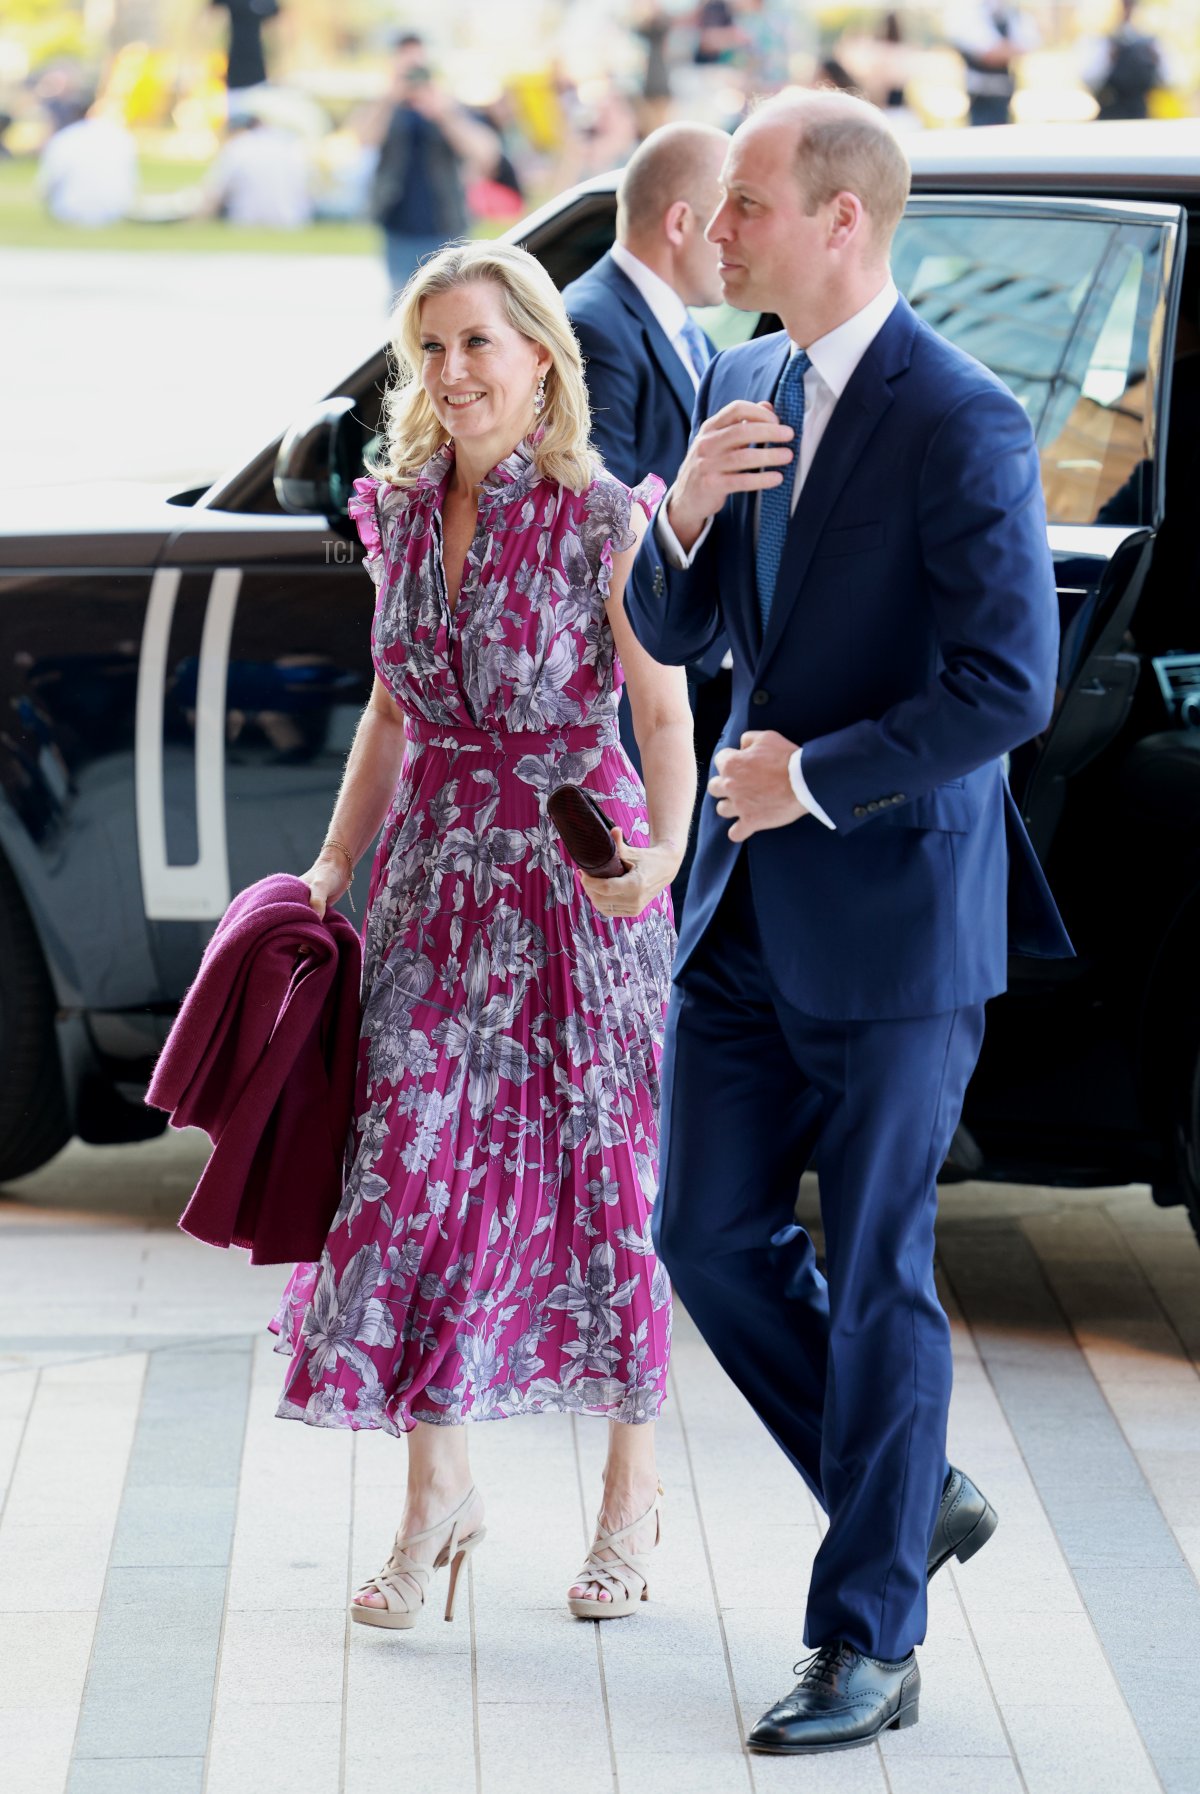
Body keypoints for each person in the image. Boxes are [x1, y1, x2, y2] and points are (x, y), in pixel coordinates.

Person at [626, 87, 1072, 1753]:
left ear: (841, 220)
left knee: (881, 1270)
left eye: (746, 203)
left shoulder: (964, 418)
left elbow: (1007, 684)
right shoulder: (734, 380)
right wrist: (678, 517)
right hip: (743, 909)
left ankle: (868, 1634)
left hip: (894, 914)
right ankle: (908, 1489)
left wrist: (812, 777)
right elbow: (681, 625)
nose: (716, 230)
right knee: (702, 1233)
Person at [269, 240, 696, 1628]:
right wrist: (336, 859)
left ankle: (630, 1499)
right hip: (431, 885)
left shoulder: (604, 519)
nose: (453, 372)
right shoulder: (396, 511)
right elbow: (391, 711)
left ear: (541, 360)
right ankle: (437, 1494)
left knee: (606, 1185)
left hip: (577, 884)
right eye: (433, 347)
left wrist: (662, 855)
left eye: (478, 344)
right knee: (406, 1173)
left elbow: (664, 712)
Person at [563, 122, 729, 906]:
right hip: (641, 677)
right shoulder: (595, 325)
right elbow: (602, 525)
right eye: (730, 210)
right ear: (681, 222)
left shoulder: (685, 327)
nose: (732, 236)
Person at [370, 38, 499, 295]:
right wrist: (390, 97)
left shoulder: (449, 107)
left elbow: (485, 153)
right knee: (401, 303)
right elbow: (363, 139)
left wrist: (443, 113)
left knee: (453, 299)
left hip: (446, 226)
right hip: (398, 228)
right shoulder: (388, 109)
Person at [201, 106, 312, 230]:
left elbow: (213, 194)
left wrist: (196, 221)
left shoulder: (238, 147)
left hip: (245, 222)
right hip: (292, 222)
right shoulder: (289, 145)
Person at [37, 97, 137, 228]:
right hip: (115, 211)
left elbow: (47, 183)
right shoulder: (120, 136)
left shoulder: (64, 138)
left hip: (69, 210)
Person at [949, 1, 1038, 127]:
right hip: (980, 97)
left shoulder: (1011, 14)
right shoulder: (968, 12)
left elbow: (1028, 44)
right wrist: (1008, 50)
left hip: (1005, 95)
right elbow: (989, 54)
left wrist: (1004, 50)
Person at [1083, 1, 1165, 122]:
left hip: (1140, 115)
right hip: (1111, 115)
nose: (1128, 10)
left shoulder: (1150, 43)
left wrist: (1156, 59)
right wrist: (1107, 59)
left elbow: (1171, 80)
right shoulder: (1103, 41)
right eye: (1125, 5)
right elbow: (1088, 80)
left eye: (1131, 6)